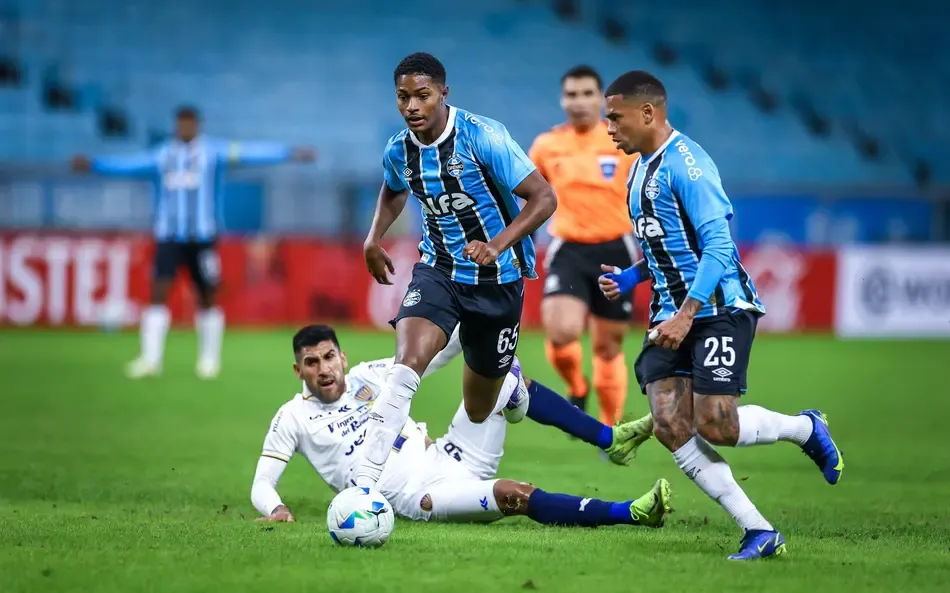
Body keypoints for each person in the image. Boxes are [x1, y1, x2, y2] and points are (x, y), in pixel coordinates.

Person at [598, 70, 844, 560]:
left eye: (616, 117)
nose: (609, 128)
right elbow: (672, 246)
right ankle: (759, 530)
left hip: (717, 309)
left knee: (717, 425)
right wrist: (631, 277)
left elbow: (716, 247)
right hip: (670, 314)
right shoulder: (639, 171)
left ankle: (805, 428)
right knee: (670, 425)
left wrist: (687, 315)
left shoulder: (688, 166)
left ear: (648, 113)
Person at [357, 53, 557, 488]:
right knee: (406, 364)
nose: (412, 106)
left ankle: (510, 385)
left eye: (422, 96)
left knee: (478, 408)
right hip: (439, 270)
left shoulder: (483, 137)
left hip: (497, 282)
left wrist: (497, 245)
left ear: (443, 94)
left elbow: (544, 198)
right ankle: (365, 482)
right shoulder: (399, 149)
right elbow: (394, 190)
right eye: (403, 97)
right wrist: (374, 238)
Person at [251, 324, 671, 529]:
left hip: (451, 452)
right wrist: (277, 509)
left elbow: (439, 355)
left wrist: (473, 321)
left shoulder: (371, 375)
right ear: (298, 370)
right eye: (311, 362)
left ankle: (611, 439)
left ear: (342, 358)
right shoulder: (292, 416)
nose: (323, 369)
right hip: (421, 495)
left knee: (500, 375)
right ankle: (631, 514)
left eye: (328, 357)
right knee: (513, 494)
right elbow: (262, 483)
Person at [71, 106, 316, 379]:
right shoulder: (164, 154)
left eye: (189, 123)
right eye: (181, 123)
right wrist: (95, 164)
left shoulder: (213, 152)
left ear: (197, 124)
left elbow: (251, 153)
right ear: (176, 125)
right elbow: (130, 164)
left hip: (202, 239)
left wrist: (288, 153)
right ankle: (151, 360)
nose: (185, 127)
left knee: (208, 295)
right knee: (158, 292)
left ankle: (208, 361)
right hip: (169, 238)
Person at [528, 65, 648, 424]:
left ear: (601, 99)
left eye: (586, 94)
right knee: (561, 332)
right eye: (572, 95)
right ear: (563, 100)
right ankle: (577, 385)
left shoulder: (622, 141)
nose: (579, 102)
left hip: (616, 249)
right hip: (568, 249)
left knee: (607, 346)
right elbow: (528, 197)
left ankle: (609, 427)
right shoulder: (547, 145)